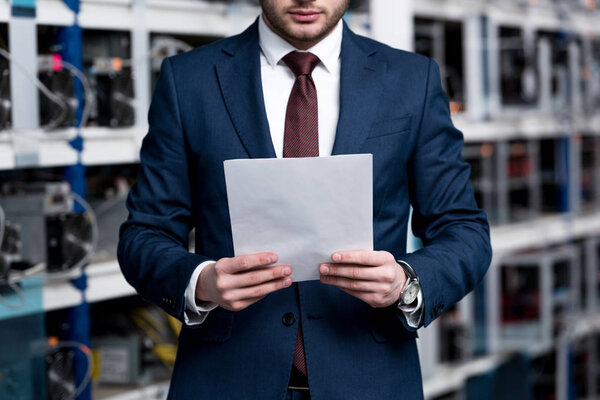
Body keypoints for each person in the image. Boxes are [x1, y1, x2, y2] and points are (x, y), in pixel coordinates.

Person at [117, 0, 492, 399]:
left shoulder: (410, 80)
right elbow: (144, 234)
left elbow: (463, 229)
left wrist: (406, 284)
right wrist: (202, 283)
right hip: (226, 379)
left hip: (370, 380)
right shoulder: (189, 80)